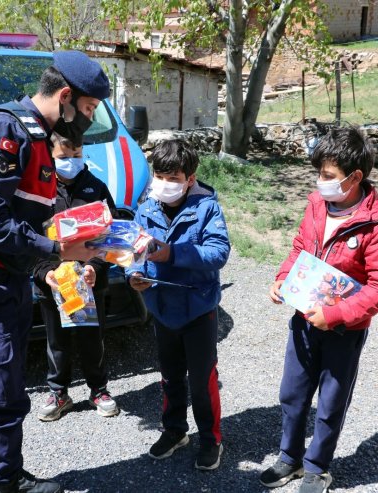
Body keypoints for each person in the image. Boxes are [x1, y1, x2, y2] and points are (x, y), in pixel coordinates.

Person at [0, 51, 110, 493]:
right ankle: (7, 482)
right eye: (88, 110)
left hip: (9, 280)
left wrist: (50, 267)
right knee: (1, 394)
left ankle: (9, 474)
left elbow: (28, 222)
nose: (87, 121)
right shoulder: (6, 130)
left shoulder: (38, 139)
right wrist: (57, 248)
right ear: (66, 96)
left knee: (12, 387)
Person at [261, 126, 378, 493]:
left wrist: (336, 316)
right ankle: (289, 459)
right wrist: (283, 278)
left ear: (355, 177)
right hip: (303, 320)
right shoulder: (316, 204)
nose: (319, 182)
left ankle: (317, 467)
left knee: (331, 402)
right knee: (292, 393)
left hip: (344, 330)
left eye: (328, 176)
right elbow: (299, 247)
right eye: (318, 174)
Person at [126, 139, 231, 471]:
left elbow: (219, 253)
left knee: (201, 380)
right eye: (160, 176)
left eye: (174, 178)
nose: (166, 184)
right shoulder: (146, 207)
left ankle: (211, 438)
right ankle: (174, 430)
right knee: (170, 377)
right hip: (161, 309)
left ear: (190, 178)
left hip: (198, 309)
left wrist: (173, 253)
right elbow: (134, 251)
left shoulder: (206, 208)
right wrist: (133, 275)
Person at [32, 133, 119, 422]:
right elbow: (27, 240)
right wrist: (45, 273)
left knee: (93, 338)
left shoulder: (96, 188)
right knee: (57, 342)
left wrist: (96, 265)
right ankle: (59, 392)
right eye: (64, 156)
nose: (72, 161)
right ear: (49, 156)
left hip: (90, 282)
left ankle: (99, 389)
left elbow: (111, 235)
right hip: (53, 283)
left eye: (77, 154)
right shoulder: (37, 191)